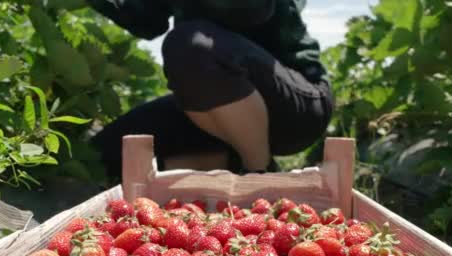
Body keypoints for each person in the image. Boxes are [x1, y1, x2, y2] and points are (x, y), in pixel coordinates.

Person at [88, 0, 333, 180]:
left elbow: (253, 10)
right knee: (104, 156)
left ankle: (258, 175)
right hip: (213, 105)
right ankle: (229, 162)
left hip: (296, 105)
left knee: (189, 46)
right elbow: (149, 22)